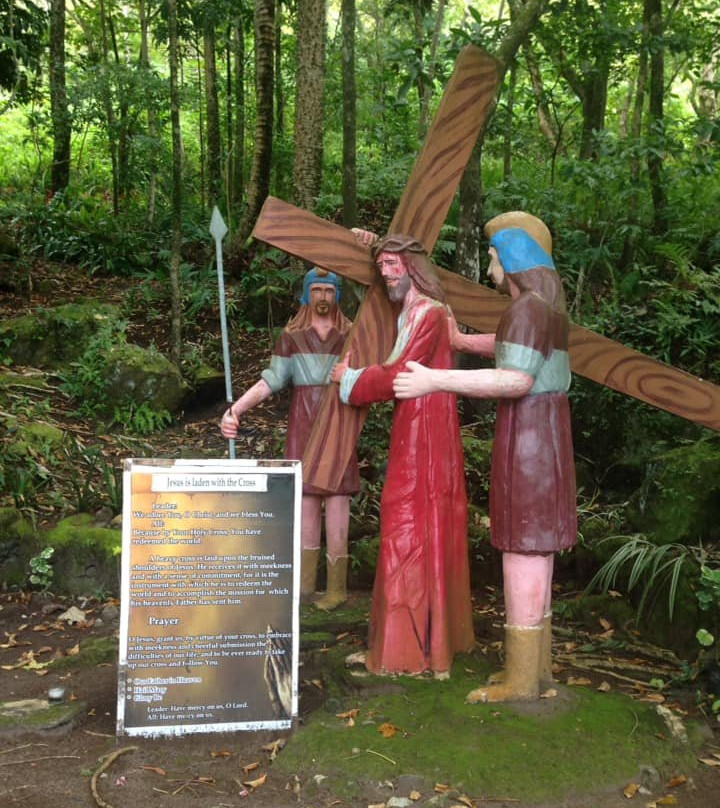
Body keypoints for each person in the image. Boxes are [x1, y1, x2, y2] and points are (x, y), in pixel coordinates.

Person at [393, 211, 577, 702]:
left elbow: (515, 379)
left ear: (514, 259)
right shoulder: (548, 310)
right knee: (534, 551)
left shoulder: (526, 310)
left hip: (530, 439)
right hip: (547, 436)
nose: (490, 268)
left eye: (495, 258)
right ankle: (534, 673)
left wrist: (436, 379)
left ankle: (521, 680)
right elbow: (514, 349)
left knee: (524, 549)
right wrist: (460, 341)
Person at [331, 234, 474, 677]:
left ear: (413, 267)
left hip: (426, 432)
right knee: (411, 519)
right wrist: (372, 241)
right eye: (383, 265)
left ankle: (407, 652)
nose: (387, 272)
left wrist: (350, 380)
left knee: (407, 520)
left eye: (394, 264)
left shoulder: (427, 312)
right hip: (417, 424)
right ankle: (416, 644)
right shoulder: (413, 310)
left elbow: (398, 372)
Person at [221, 267, 359, 610]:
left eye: (329, 290)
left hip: (338, 419)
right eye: (317, 290)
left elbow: (368, 376)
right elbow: (272, 379)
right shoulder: (292, 336)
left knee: (339, 498)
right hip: (303, 420)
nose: (323, 297)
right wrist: (236, 409)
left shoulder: (352, 335)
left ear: (337, 294)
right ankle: (305, 585)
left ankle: (337, 588)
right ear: (306, 294)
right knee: (308, 499)